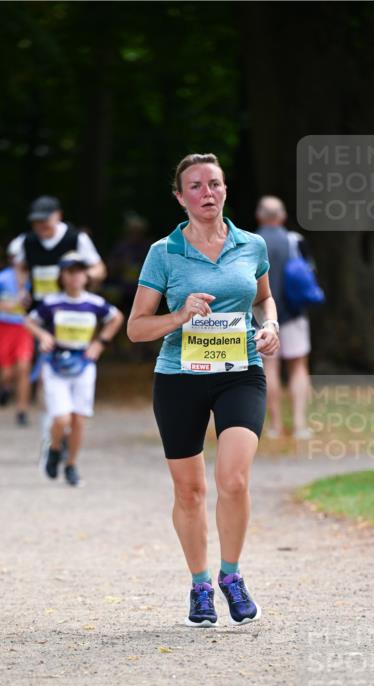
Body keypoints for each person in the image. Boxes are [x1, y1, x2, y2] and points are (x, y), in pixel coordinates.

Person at [128, 153, 280, 627]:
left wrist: (271, 325)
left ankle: (230, 577)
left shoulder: (251, 245)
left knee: (233, 479)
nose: (207, 193)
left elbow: (264, 298)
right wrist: (178, 315)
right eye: (195, 186)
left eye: (214, 184)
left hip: (241, 371)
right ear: (180, 197)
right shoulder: (164, 252)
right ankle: (199, 584)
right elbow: (135, 328)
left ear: (226, 190)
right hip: (178, 378)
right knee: (189, 490)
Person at [25, 252, 123, 486]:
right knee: (61, 419)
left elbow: (116, 318)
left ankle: (71, 465)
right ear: (62, 275)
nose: (75, 276)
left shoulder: (94, 303)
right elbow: (29, 320)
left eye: (79, 271)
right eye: (70, 271)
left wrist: (100, 343)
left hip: (84, 364)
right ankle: (56, 448)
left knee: (79, 419)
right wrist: (43, 335)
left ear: (86, 275)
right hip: (56, 363)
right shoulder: (52, 302)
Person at [256, 196, 313, 439]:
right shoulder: (294, 241)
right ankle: (300, 425)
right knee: (298, 365)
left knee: (270, 366)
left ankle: (275, 426)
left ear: (260, 216)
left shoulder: (251, 242)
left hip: (261, 314)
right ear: (282, 216)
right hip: (293, 312)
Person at [8, 196, 106, 305]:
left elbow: (99, 269)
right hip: (40, 307)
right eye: (36, 221)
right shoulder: (26, 241)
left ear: (58, 215)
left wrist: (79, 278)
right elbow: (20, 266)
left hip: (72, 305)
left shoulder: (76, 238)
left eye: (45, 220)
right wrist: (21, 289)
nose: (41, 225)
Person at [0, 246, 32, 425]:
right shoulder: (0, 279)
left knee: (24, 367)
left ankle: (22, 411)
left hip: (25, 327)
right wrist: (5, 307)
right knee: (6, 371)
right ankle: (4, 386)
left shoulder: (34, 279)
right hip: (3, 326)